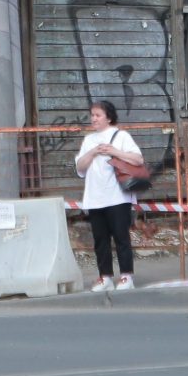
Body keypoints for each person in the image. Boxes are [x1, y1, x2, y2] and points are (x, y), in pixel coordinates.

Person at [72, 100, 144, 292]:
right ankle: (105, 277)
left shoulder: (121, 136)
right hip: (95, 197)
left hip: (117, 196)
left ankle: (126, 276)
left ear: (109, 117)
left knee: (121, 236)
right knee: (100, 239)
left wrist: (114, 151)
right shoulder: (88, 140)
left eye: (98, 115)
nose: (93, 119)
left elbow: (138, 159)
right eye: (92, 115)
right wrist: (93, 152)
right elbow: (79, 167)